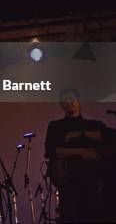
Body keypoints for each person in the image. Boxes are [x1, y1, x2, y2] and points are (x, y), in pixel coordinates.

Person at [45, 88, 116, 223]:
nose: (69, 103)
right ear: (61, 105)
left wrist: (82, 134)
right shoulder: (55, 126)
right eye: (65, 101)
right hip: (70, 184)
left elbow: (111, 138)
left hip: (96, 185)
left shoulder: (94, 125)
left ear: (78, 102)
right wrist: (82, 152)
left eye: (71, 99)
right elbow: (51, 151)